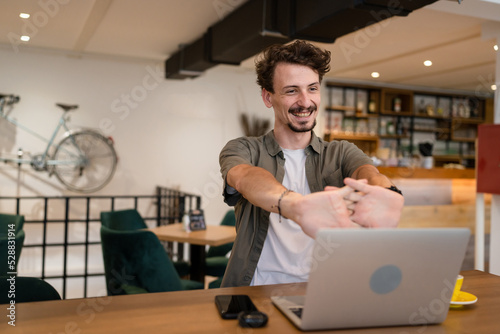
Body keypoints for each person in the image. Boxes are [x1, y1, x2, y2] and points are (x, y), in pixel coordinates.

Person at [219, 40, 404, 287]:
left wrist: (385, 191)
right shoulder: (244, 149)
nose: (305, 102)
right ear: (268, 96)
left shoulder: (340, 151)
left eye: (312, 89)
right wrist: (298, 207)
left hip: (325, 290)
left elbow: (367, 172)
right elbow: (245, 177)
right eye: (292, 90)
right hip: (255, 290)